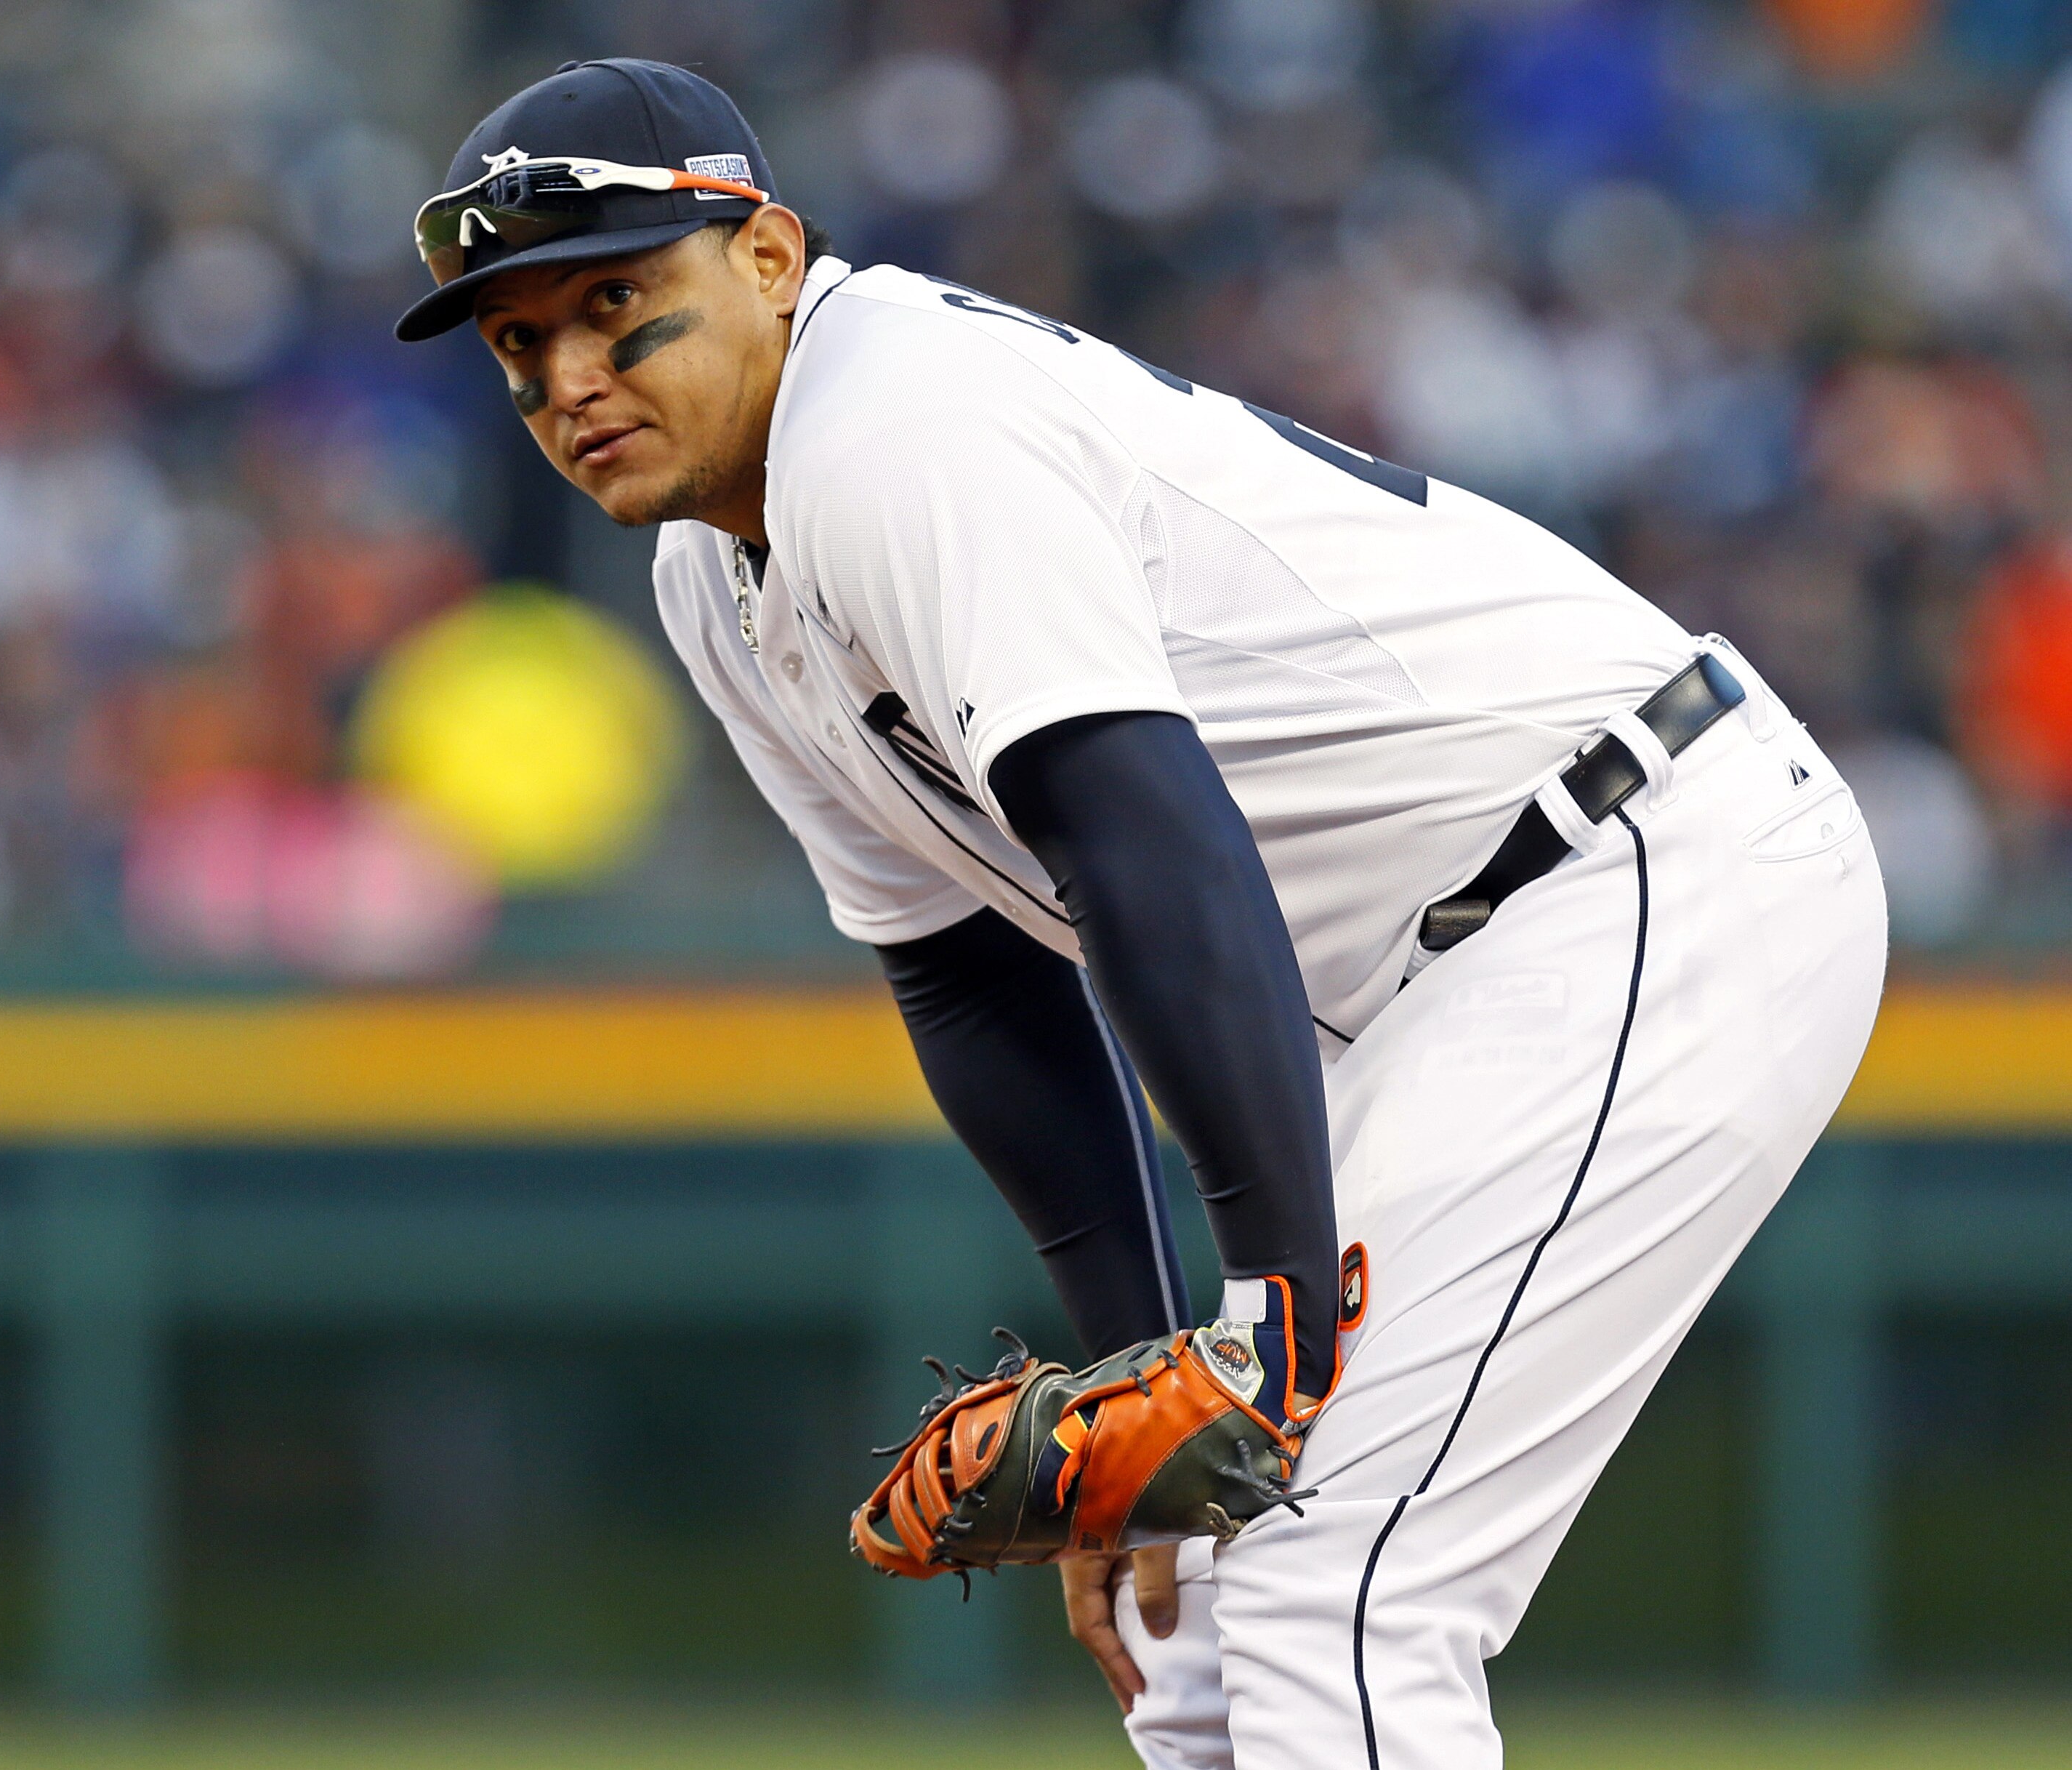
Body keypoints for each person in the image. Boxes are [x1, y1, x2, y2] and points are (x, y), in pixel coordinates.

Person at [398, 59, 1886, 1770]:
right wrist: (1139, 1383)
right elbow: (969, 979)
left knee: (1332, 1587)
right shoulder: (710, 577)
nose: (571, 377)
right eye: (520, 343)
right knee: (1199, 1625)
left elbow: (1145, 842)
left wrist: (1267, 1312)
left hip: (1630, 871)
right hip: (1441, 985)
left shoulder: (892, 426)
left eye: (612, 303)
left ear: (767, 257)